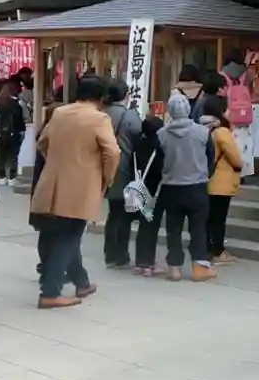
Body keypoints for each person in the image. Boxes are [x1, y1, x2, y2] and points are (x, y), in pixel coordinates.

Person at [30, 74, 118, 309]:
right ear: (100, 97)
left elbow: (42, 142)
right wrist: (105, 177)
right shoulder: (99, 118)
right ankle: (50, 292)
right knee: (68, 237)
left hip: (52, 181)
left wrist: (57, 161)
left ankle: (82, 282)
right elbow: (112, 152)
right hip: (81, 185)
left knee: (63, 235)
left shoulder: (60, 113)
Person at [157, 92, 216, 282]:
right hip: (197, 186)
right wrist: (205, 173)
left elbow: (159, 162)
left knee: (173, 229)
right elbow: (211, 157)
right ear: (188, 110)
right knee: (198, 228)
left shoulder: (162, 135)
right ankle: (199, 268)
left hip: (171, 186)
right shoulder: (203, 132)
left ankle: (174, 268)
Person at [101, 80, 143, 269]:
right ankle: (120, 254)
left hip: (105, 169)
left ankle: (110, 254)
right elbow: (138, 138)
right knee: (123, 215)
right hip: (125, 168)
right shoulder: (130, 116)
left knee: (113, 213)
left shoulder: (102, 114)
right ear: (126, 95)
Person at [203, 94, 243, 266]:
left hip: (206, 178)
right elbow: (236, 159)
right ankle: (217, 252)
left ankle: (206, 250)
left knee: (208, 219)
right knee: (218, 219)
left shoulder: (203, 128)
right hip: (221, 181)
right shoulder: (222, 132)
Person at [131, 114, 166, 274]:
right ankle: (148, 263)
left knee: (143, 225)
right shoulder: (158, 146)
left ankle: (140, 261)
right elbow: (161, 169)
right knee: (152, 226)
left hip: (139, 188)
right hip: (154, 190)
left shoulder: (138, 144)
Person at [0, 78, 27, 182]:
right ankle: (12, 178)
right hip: (15, 132)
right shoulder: (18, 103)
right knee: (13, 155)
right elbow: (24, 117)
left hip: (2, 133)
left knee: (2, 155)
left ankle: (2, 177)